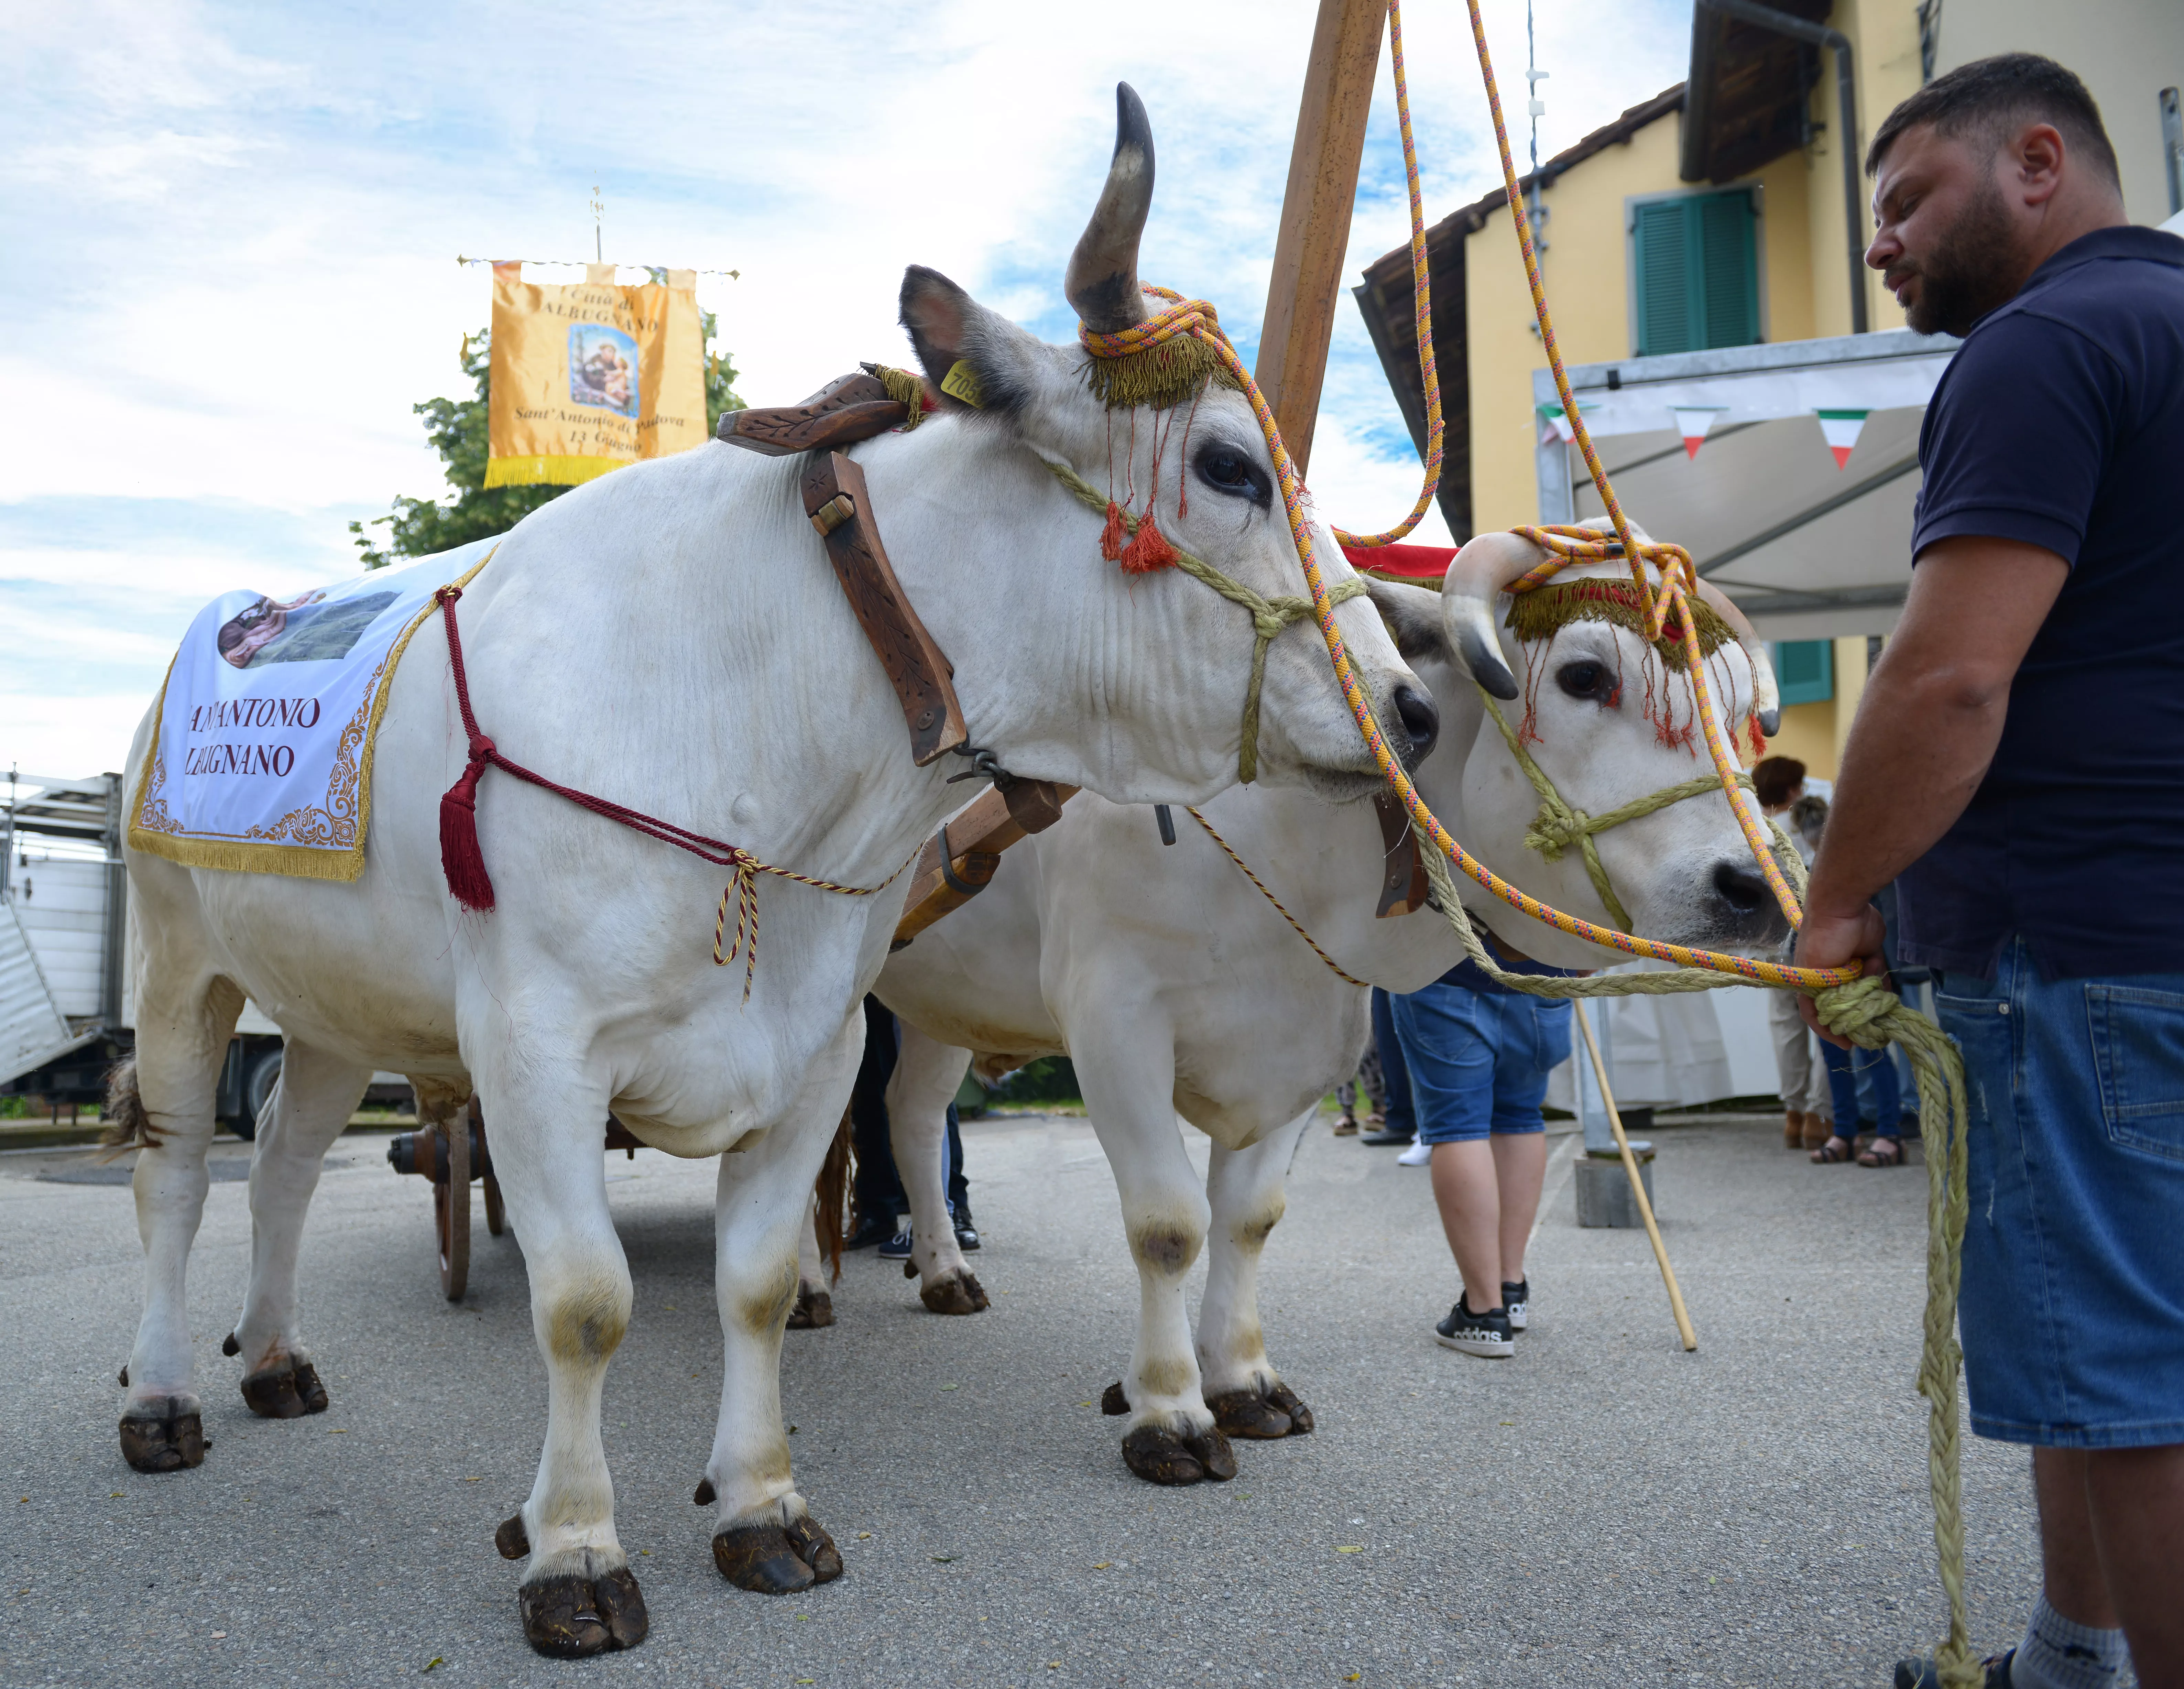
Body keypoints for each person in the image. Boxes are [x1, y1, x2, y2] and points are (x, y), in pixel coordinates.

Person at [1794, 55, 2184, 1688]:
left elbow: (1949, 677)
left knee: (2129, 1369)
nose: (1877, 248)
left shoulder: (2043, 343)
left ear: (2038, 161)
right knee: (2098, 1345)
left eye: (1901, 202)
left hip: (2076, 933)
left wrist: (1831, 898)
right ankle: (2060, 1651)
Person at [1389, 929, 1582, 1358]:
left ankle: (1483, 1312)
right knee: (1520, 1116)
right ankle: (1510, 1287)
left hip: (1450, 972)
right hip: (1544, 977)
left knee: (1459, 1128)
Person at [1757, 761, 1835, 1150]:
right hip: (1817, 935)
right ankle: (1819, 1117)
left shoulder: (1752, 825)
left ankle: (1793, 1114)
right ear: (1791, 790)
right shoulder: (1814, 820)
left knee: (1785, 1025)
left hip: (1773, 939)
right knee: (1826, 1022)